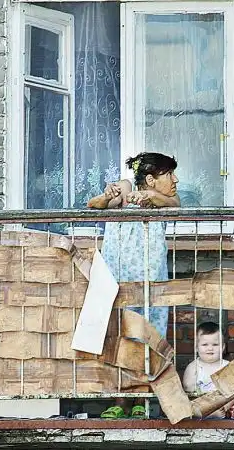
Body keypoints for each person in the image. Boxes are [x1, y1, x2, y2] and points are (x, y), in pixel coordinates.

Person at [87, 152, 180, 419]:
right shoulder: (126, 189)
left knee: (149, 337)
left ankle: (142, 398)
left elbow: (175, 204)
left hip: (152, 282)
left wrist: (151, 197)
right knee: (121, 336)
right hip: (121, 280)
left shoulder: (162, 200)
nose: (175, 180)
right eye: (169, 174)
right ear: (150, 179)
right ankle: (120, 400)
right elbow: (94, 205)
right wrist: (108, 196)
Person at [182, 322, 234, 419]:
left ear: (223, 347)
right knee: (187, 406)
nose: (210, 348)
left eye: (215, 344)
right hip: (202, 404)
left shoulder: (227, 366)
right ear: (196, 347)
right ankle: (211, 414)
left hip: (226, 403)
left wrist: (227, 405)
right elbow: (188, 390)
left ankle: (230, 411)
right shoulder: (193, 367)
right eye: (205, 344)